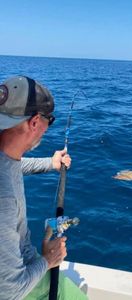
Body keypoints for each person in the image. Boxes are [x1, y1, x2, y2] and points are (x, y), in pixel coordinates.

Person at [0, 76, 87, 299]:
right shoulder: (4, 201)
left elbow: (11, 166)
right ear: (35, 122)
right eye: (50, 120)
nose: (48, 127)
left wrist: (49, 163)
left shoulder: (5, 156)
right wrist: (49, 259)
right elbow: (9, 291)